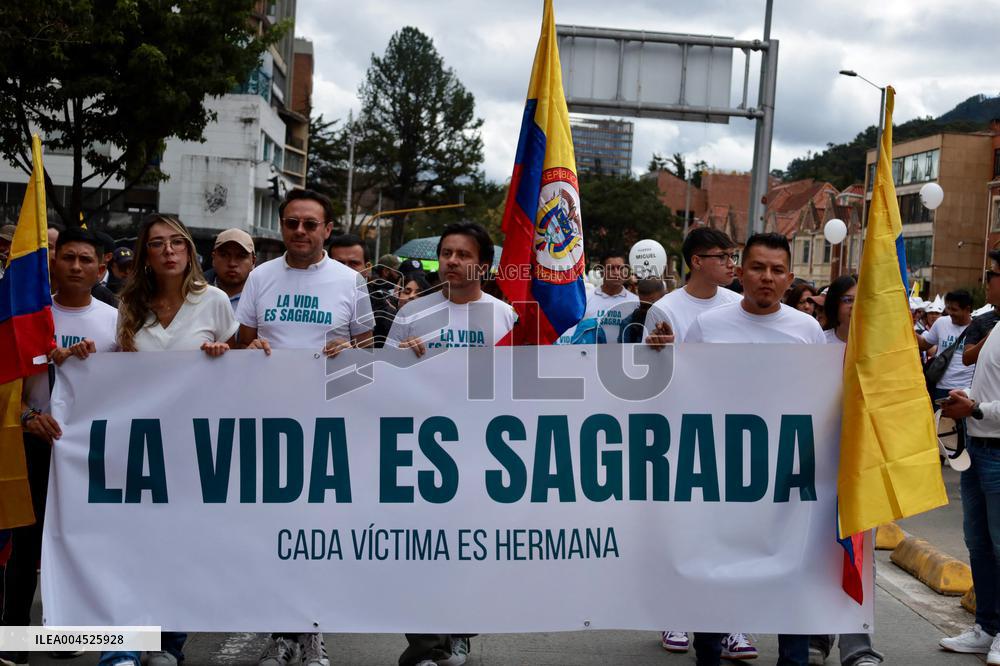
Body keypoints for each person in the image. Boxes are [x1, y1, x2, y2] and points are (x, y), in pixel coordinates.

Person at [98, 215, 246, 666]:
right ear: (145, 254)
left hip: (193, 449)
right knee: (129, 547)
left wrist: (227, 355)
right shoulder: (129, 305)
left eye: (177, 242)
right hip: (138, 446)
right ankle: (120, 649)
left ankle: (168, 643)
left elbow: (243, 370)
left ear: (189, 252)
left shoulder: (214, 301)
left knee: (180, 548)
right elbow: (117, 374)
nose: (168, 251)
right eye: (158, 243)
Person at [236, 190, 373, 666]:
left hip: (329, 427)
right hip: (272, 425)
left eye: (310, 224)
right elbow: (243, 344)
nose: (299, 231)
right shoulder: (260, 277)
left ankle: (314, 631)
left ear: (327, 229)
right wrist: (250, 351)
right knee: (277, 535)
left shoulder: (350, 282)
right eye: (292, 222)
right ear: (282, 226)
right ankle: (283, 635)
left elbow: (367, 353)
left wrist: (350, 353)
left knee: (317, 536)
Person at [686, 232, 823, 666]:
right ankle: (708, 653)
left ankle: (793, 659)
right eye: (758, 267)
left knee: (790, 574)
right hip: (721, 477)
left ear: (790, 279)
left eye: (777, 270)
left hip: (787, 480)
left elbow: (821, 400)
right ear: (740, 272)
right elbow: (684, 393)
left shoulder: (807, 331)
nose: (767, 277)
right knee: (716, 574)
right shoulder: (707, 327)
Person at [387, 222, 515, 666]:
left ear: (484, 265)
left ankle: (459, 632)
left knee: (469, 551)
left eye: (463, 254)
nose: (452, 261)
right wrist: (402, 358)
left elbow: (519, 385)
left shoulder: (505, 316)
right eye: (446, 253)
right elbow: (386, 377)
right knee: (422, 551)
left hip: (482, 452)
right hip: (423, 452)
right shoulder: (412, 313)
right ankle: (425, 646)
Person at [0, 228, 118, 666]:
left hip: (89, 452)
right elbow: (7, 383)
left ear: (101, 268)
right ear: (52, 262)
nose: (76, 266)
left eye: (86, 260)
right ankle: (14, 637)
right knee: (26, 545)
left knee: (75, 543)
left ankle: (66, 632)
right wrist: (28, 417)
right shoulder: (30, 317)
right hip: (35, 444)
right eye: (68, 257)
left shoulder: (115, 320)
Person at [810, 275, 884, 666]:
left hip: (862, 468)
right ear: (835, 304)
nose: (855, 307)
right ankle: (816, 637)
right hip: (815, 465)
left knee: (858, 555)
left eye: (862, 299)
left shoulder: (882, 352)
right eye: (848, 299)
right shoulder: (815, 346)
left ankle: (857, 647)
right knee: (815, 552)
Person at [939, 270, 1000, 665]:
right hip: (977, 448)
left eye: (992, 275)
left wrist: (975, 408)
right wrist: (968, 398)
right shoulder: (995, 327)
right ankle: (986, 628)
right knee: (979, 543)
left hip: (997, 451)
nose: (987, 282)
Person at [645, 227, 741, 350]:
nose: (731, 264)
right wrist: (666, 349)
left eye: (732, 256)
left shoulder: (738, 303)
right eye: (722, 256)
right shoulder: (663, 310)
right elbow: (647, 358)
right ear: (697, 261)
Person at [918, 290, 974, 417]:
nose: (950, 313)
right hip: (941, 388)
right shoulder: (941, 323)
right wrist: (907, 329)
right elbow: (924, 344)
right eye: (948, 308)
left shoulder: (977, 327)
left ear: (967, 309)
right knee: (939, 425)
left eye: (954, 309)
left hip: (966, 390)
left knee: (964, 427)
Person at [583, 249, 638, 343]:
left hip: (624, 352)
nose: (616, 273)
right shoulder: (585, 299)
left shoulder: (636, 302)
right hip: (590, 352)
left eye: (620, 268)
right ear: (601, 272)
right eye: (611, 268)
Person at [962, 251, 1000, 367]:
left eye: (990, 274)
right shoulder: (980, 321)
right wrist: (989, 338)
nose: (986, 284)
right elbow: (967, 359)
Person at [210, 228, 256, 311]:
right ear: (213, 258)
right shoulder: (194, 295)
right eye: (224, 255)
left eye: (241, 256)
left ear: (253, 261)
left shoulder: (263, 298)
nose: (232, 263)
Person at [619, 278, 665, 343]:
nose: (648, 311)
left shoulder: (672, 319)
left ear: (664, 297)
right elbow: (624, 348)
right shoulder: (629, 323)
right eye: (644, 306)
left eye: (652, 305)